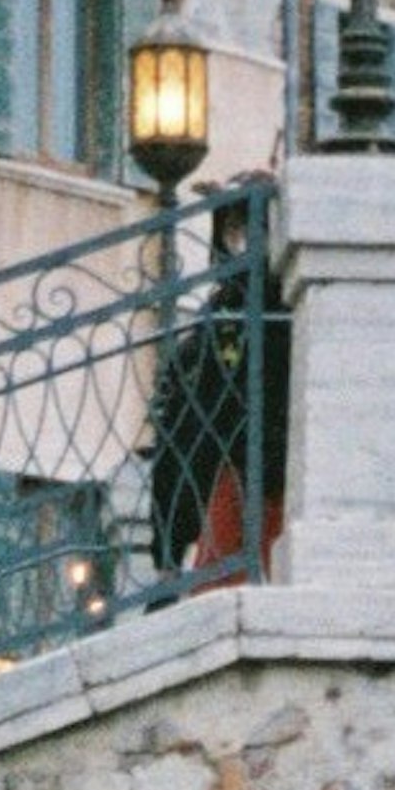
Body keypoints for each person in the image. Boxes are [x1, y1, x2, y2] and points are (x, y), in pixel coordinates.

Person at [144, 190, 292, 596]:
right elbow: (181, 425)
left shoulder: (284, 306)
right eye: (234, 232)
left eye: (253, 230)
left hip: (266, 472)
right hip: (227, 468)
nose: (243, 242)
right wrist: (169, 547)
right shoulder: (216, 316)